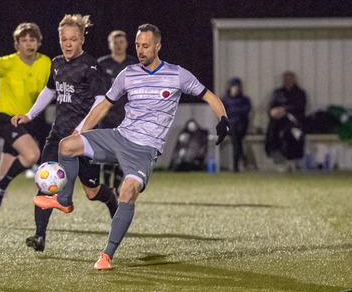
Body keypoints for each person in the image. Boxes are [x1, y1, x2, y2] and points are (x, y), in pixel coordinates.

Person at [34, 24, 230, 269]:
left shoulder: (177, 74)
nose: (140, 50)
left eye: (145, 46)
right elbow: (104, 105)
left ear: (158, 46)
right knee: (67, 145)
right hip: (119, 137)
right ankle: (64, 200)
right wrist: (81, 131)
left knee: (127, 191)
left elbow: (209, 96)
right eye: (138, 45)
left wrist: (223, 119)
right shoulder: (128, 73)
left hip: (144, 149)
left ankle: (106, 255)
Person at [13, 14, 120, 252]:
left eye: (73, 39)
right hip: (58, 134)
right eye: (64, 39)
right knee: (45, 183)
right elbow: (49, 91)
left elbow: (101, 101)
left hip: (86, 140)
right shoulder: (57, 63)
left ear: (82, 39)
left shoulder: (91, 66)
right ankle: (39, 236)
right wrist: (29, 115)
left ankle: (110, 197)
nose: (68, 44)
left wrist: (81, 129)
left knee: (92, 192)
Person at [0, 23, 51, 228]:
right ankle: (2, 186)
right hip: (6, 120)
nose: (29, 44)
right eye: (24, 40)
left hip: (27, 122)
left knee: (4, 171)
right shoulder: (8, 63)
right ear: (17, 44)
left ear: (38, 42)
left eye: (33, 40)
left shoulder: (46, 63)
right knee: (32, 155)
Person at [96, 30, 138, 190]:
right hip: (107, 116)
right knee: (108, 154)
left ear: (126, 44)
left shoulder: (133, 65)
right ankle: (107, 187)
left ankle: (116, 187)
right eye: (115, 42)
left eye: (121, 42)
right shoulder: (102, 64)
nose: (119, 45)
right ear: (110, 44)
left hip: (128, 116)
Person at [265, 71, 306, 165]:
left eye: (290, 79)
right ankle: (274, 152)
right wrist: (273, 111)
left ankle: (291, 158)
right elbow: (271, 106)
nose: (287, 81)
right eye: (285, 79)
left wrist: (284, 110)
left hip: (293, 121)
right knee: (273, 127)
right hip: (278, 120)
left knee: (289, 133)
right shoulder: (277, 92)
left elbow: (300, 107)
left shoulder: (300, 93)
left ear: (294, 80)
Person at [222, 78, 252, 171]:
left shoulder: (245, 100)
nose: (235, 89)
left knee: (236, 137)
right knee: (236, 137)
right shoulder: (224, 100)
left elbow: (245, 111)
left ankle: (237, 163)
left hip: (241, 126)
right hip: (229, 126)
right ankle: (241, 160)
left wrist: (233, 112)